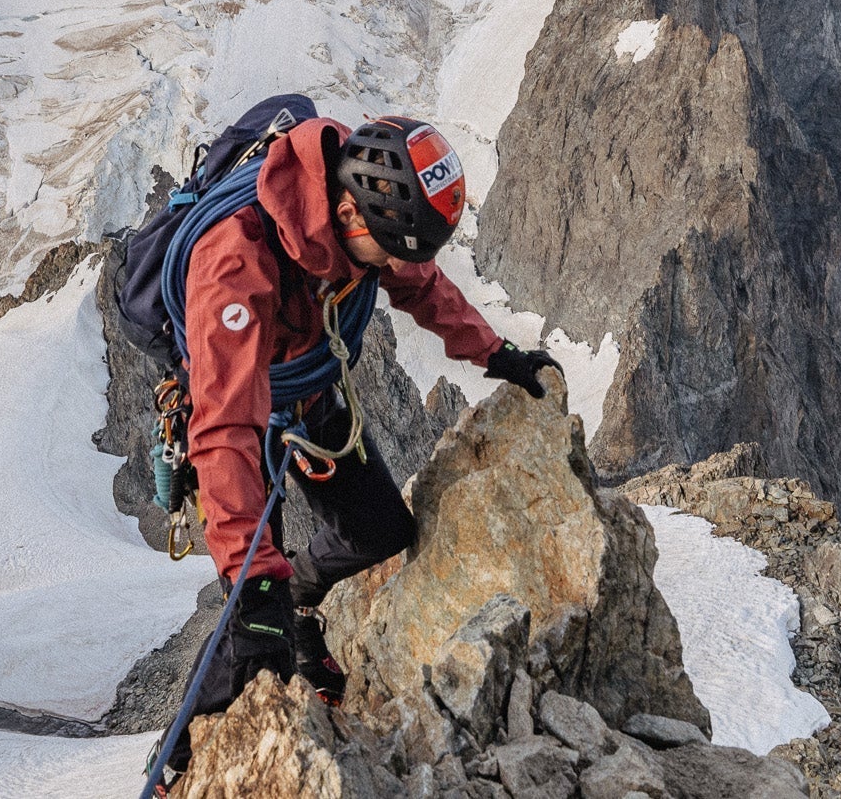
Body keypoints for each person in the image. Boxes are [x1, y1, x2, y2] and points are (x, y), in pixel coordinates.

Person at [159, 114, 559, 781]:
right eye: (395, 249)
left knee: (381, 527)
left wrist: (494, 352)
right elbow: (224, 427)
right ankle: (174, 765)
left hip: (311, 400)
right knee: (253, 638)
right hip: (240, 423)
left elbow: (423, 286)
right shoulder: (237, 255)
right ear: (349, 212)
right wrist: (254, 580)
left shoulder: (365, 224)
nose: (403, 265)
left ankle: (300, 597)